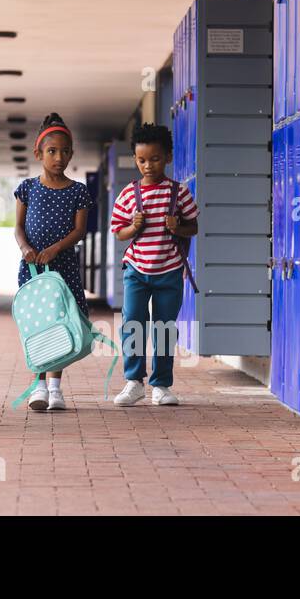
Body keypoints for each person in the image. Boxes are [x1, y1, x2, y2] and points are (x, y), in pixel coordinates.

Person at [108, 122, 199, 407]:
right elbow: (118, 232)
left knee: (164, 326)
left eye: (155, 159)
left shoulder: (179, 192)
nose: (148, 165)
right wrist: (133, 228)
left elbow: (193, 227)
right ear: (136, 159)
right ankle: (134, 382)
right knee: (133, 323)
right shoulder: (127, 194)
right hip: (136, 270)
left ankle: (162, 385)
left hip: (169, 271)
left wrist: (178, 226)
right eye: (142, 160)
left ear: (168, 157)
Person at [13, 113, 92, 411]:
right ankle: (38, 385)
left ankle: (55, 388)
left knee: (61, 322)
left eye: (65, 151)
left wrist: (56, 249)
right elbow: (18, 226)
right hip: (33, 267)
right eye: (51, 151)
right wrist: (25, 248)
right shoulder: (27, 189)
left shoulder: (78, 191)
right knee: (39, 323)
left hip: (64, 267)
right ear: (38, 154)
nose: (59, 157)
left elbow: (79, 231)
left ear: (72, 154)